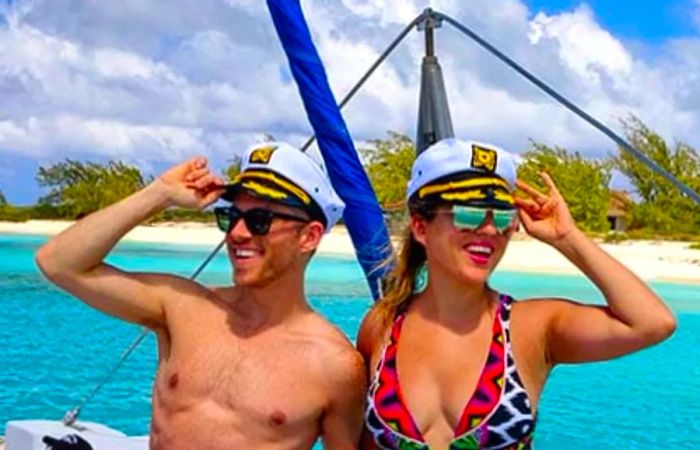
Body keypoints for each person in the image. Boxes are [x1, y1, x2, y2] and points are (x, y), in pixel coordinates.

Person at [36, 142, 367, 450]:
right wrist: (160, 193)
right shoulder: (183, 306)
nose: (237, 234)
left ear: (309, 237)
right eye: (232, 217)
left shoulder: (334, 366)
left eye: (259, 220)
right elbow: (59, 263)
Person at [358, 138, 676, 449]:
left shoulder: (530, 328)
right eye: (469, 214)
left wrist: (567, 237)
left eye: (502, 216)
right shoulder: (382, 326)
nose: (489, 229)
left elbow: (652, 322)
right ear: (420, 227)